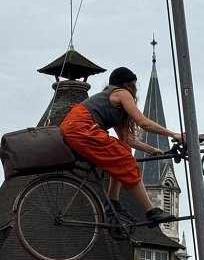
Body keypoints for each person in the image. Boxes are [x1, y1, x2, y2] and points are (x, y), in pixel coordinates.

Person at [59, 66, 182, 225]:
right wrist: (173, 134)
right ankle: (151, 211)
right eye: (134, 85)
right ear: (127, 85)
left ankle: (113, 201)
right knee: (126, 160)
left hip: (75, 129)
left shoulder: (111, 101)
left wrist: (152, 150)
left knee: (124, 149)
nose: (135, 90)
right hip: (82, 129)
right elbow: (143, 123)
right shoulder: (122, 93)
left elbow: (128, 140)